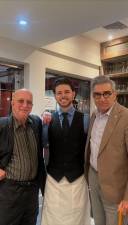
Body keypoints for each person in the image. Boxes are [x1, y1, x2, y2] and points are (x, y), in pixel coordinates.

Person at [41, 77, 91, 225]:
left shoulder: (85, 120)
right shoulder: (47, 119)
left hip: (77, 179)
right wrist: (44, 121)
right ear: (55, 95)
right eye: (59, 93)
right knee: (52, 216)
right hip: (53, 179)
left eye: (67, 92)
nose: (63, 95)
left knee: (77, 216)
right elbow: (44, 143)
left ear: (73, 94)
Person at [85, 75, 128, 225]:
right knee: (98, 221)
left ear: (114, 94)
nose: (102, 98)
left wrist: (127, 197)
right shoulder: (94, 115)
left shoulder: (125, 117)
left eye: (106, 93)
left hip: (116, 187)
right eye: (97, 94)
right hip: (94, 179)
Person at [0, 88, 46, 225]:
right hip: (10, 192)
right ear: (12, 103)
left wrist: (47, 114)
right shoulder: (2, 125)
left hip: (32, 191)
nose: (25, 105)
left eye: (29, 102)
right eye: (21, 101)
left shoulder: (36, 123)